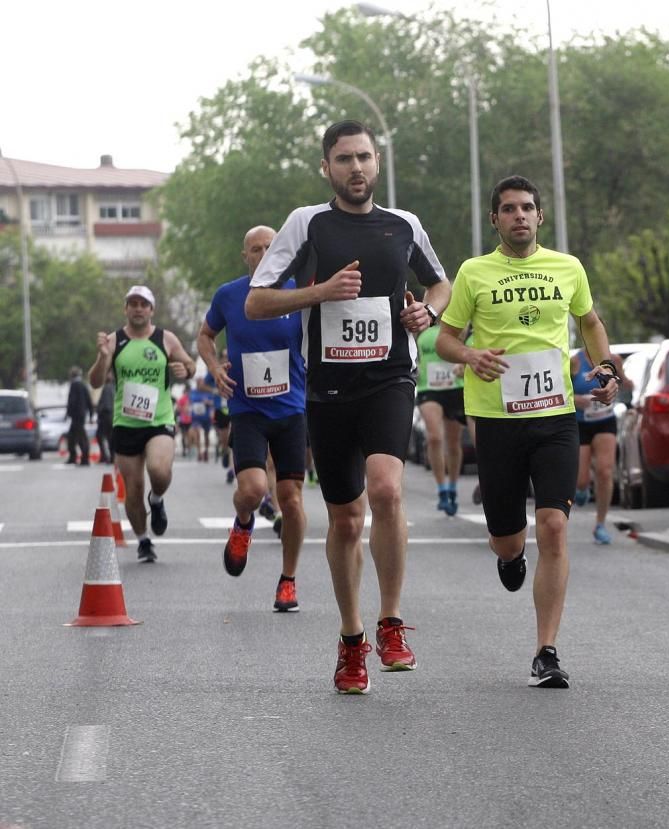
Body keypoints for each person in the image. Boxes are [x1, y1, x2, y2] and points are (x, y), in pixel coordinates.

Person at [245, 120, 451, 694]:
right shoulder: (305, 224)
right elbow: (259, 301)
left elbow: (441, 284)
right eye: (343, 160)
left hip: (390, 377)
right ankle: (352, 638)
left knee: (385, 489)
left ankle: (390, 622)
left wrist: (427, 315)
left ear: (377, 162)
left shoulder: (403, 225)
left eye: (363, 157)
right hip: (328, 388)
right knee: (345, 518)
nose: (355, 168)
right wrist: (319, 292)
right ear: (326, 168)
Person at [436, 175, 619, 689]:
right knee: (507, 539)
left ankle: (546, 650)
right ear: (494, 219)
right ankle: (511, 556)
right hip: (496, 421)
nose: (520, 216)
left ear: (540, 217)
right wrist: (472, 354)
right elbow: (446, 339)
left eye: (528, 208)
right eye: (509, 209)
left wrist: (605, 370)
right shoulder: (474, 273)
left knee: (555, 528)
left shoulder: (568, 268)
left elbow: (591, 324)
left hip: (556, 417)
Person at [199, 224, 308, 612]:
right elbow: (205, 335)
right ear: (245, 256)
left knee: (291, 501)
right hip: (247, 410)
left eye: (269, 247)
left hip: (293, 409)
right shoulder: (229, 295)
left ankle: (288, 580)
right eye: (255, 249)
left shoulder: (297, 291)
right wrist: (214, 368)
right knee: (252, 489)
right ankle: (243, 521)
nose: (263, 254)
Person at [88, 285, 196, 563]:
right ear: (126, 309)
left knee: (159, 470)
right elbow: (96, 382)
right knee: (133, 488)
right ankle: (143, 540)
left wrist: (186, 369)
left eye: (143, 304)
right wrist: (102, 357)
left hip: (159, 420)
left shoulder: (165, 339)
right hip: (125, 423)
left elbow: (189, 365)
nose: (138, 308)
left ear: (151, 310)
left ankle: (157, 500)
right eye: (133, 304)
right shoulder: (114, 341)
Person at [570, 349, 626, 545]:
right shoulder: (574, 362)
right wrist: (578, 400)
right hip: (581, 423)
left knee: (604, 471)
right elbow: (563, 392)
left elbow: (624, 385)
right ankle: (582, 489)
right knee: (582, 479)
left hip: (605, 421)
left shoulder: (613, 359)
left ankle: (600, 524)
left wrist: (621, 379)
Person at [415, 321, 468, 515]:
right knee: (434, 437)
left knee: (453, 444)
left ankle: (453, 485)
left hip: (455, 388)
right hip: (429, 389)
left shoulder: (458, 327)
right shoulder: (424, 327)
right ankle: (441, 489)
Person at [65, 366, 95, 466]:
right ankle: (76, 457)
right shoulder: (84, 385)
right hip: (82, 415)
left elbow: (71, 401)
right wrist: (91, 415)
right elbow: (90, 402)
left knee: (79, 437)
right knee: (73, 437)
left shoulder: (74, 385)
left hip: (76, 416)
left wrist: (68, 413)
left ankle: (84, 458)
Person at [96, 370, 115, 464]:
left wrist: (100, 413)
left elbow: (106, 405)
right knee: (108, 438)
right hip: (110, 416)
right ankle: (110, 457)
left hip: (106, 417)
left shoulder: (107, 388)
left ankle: (109, 457)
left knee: (106, 437)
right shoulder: (112, 387)